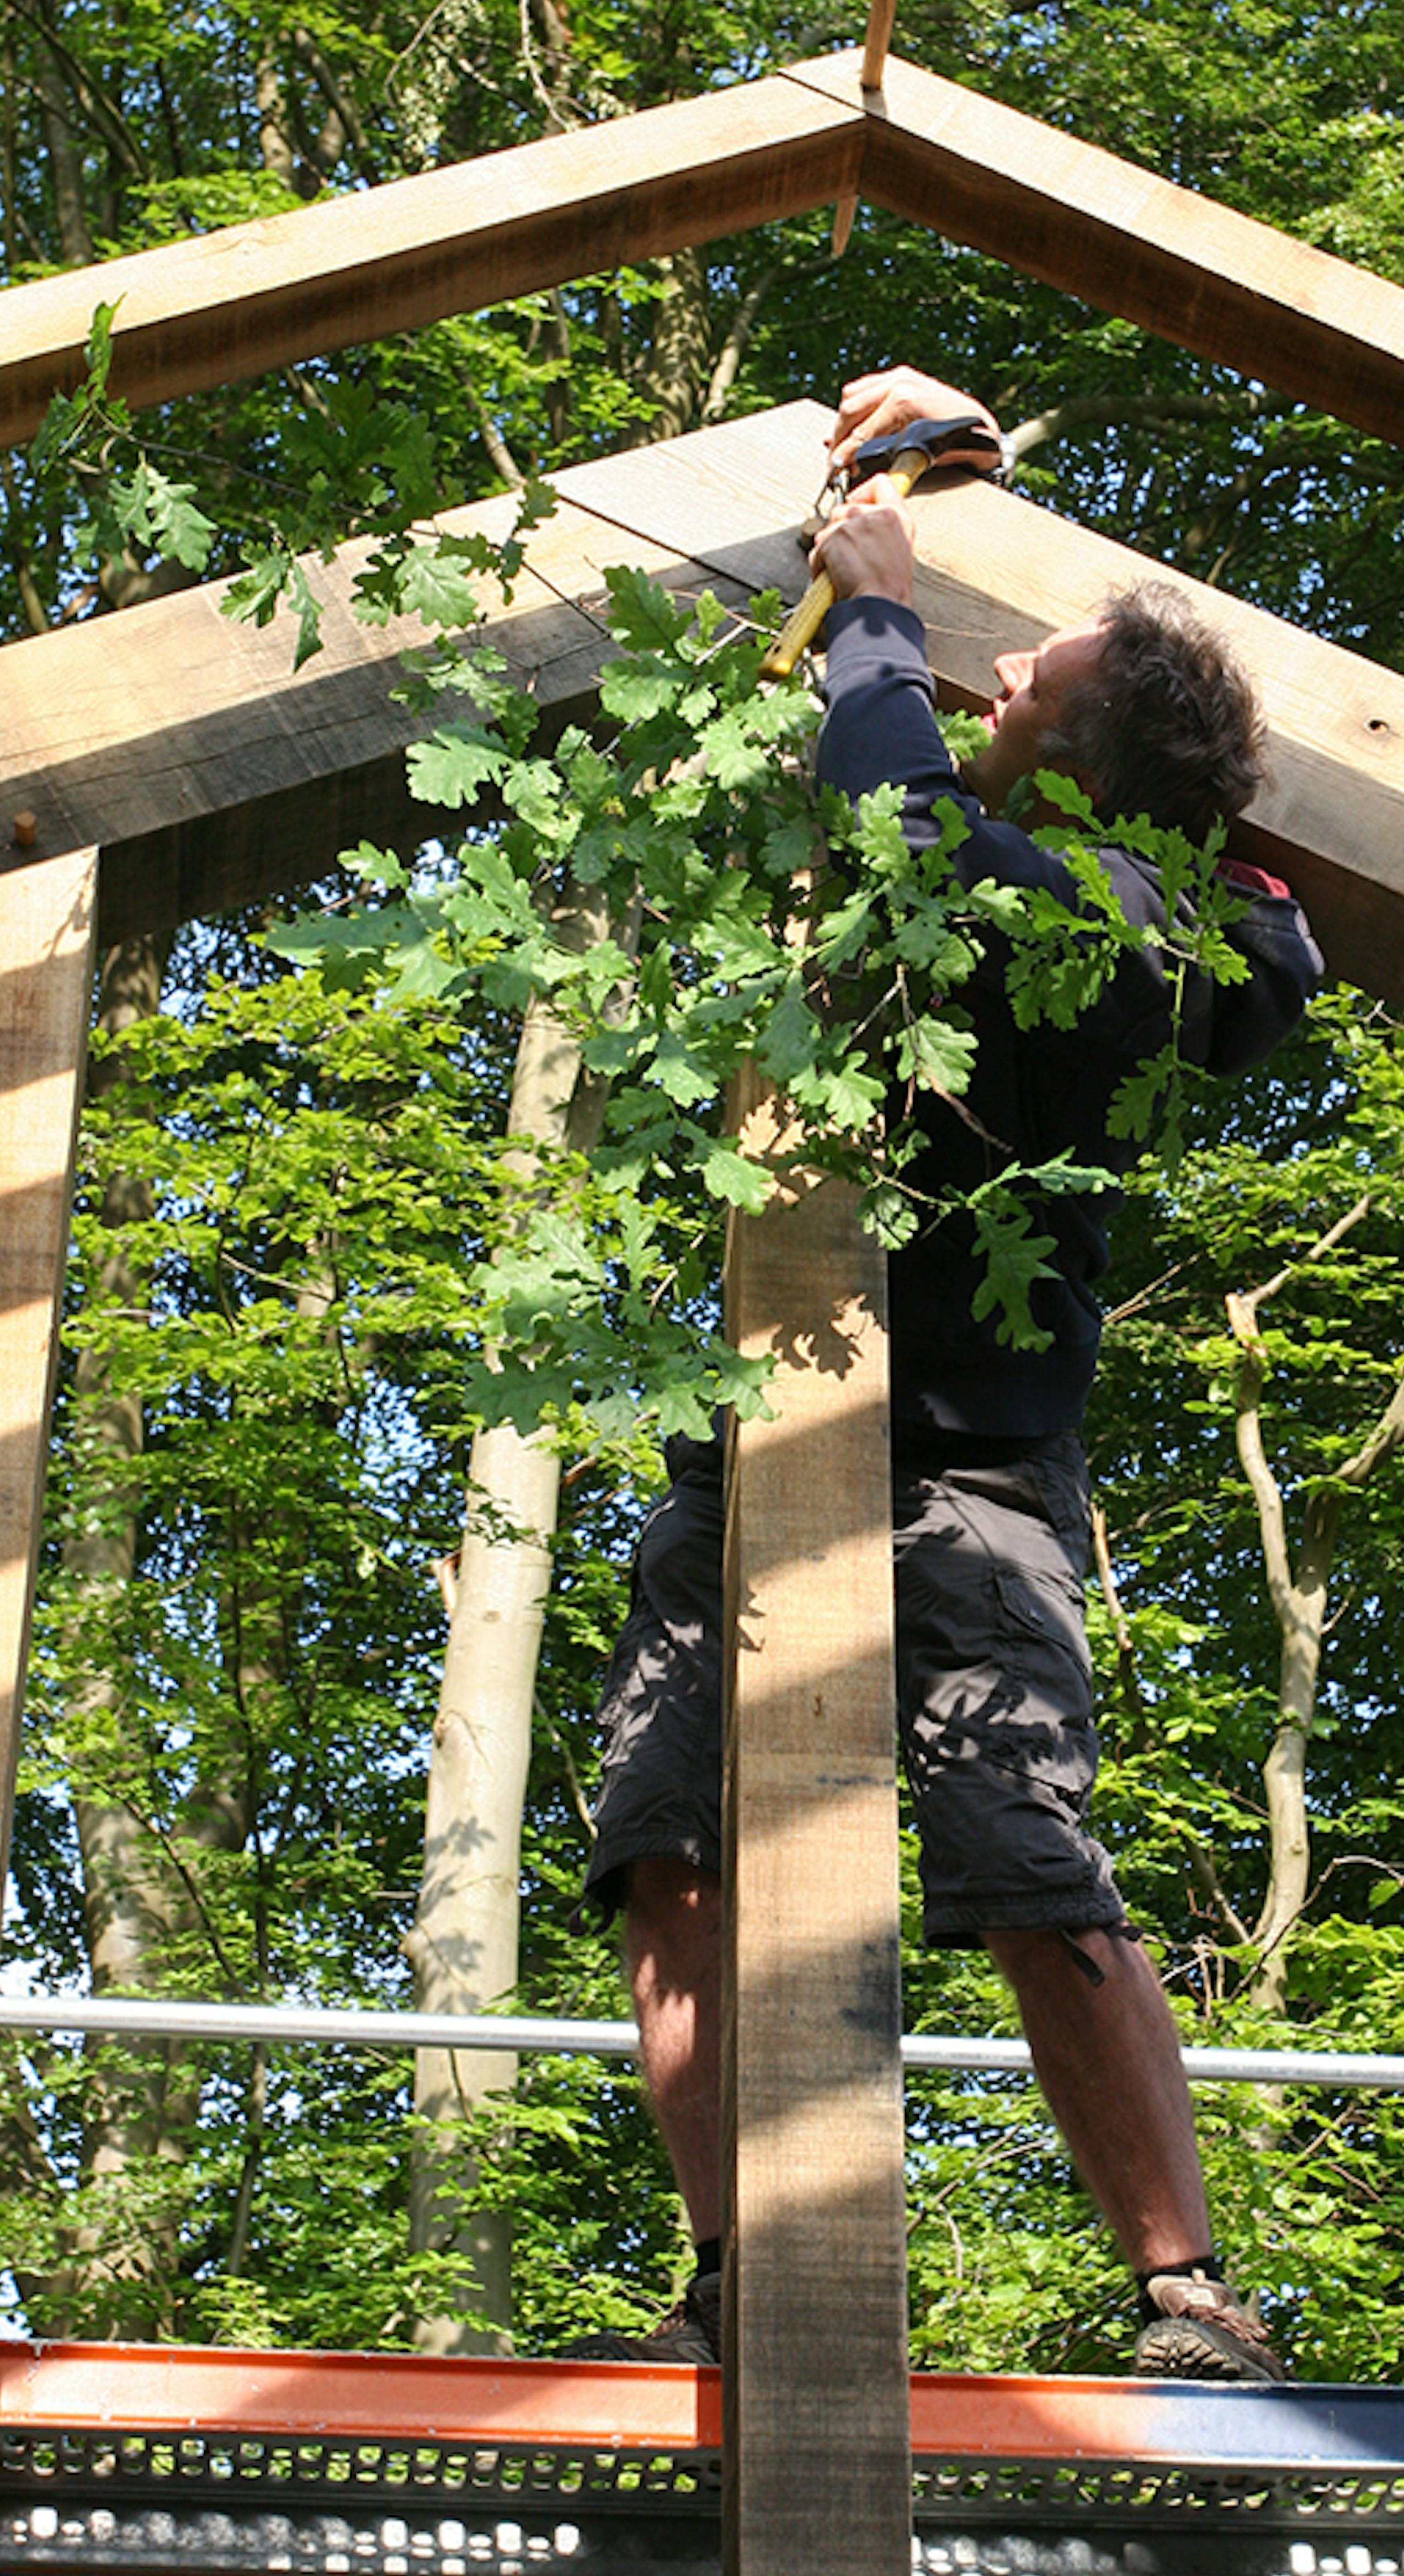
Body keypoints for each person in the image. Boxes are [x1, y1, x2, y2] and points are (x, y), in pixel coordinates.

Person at [562, 369, 1323, 2380]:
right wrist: (945, 460)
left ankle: (1185, 2288)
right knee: (666, 1845)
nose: (987, 695)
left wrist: (892, 604)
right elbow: (867, 752)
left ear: (1090, 765)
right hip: (763, 1429)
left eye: (1023, 684)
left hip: (980, 1462)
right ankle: (740, 2271)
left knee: (1022, 1848)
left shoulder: (1154, 928)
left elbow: (916, 819)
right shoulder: (998, 829)